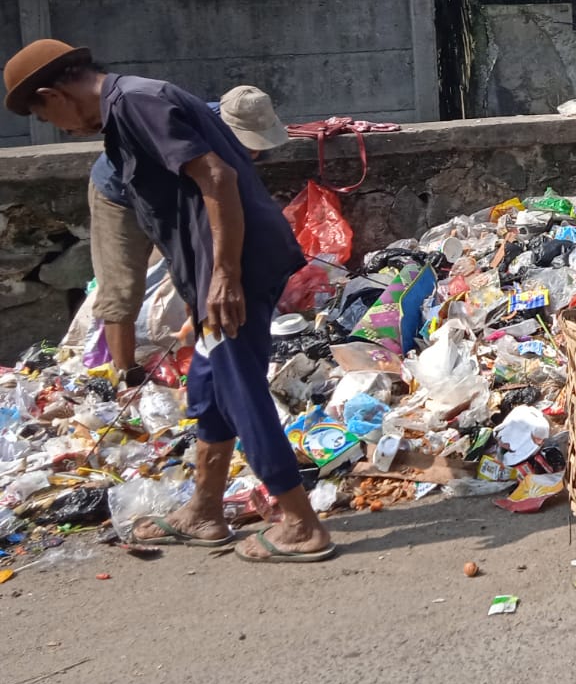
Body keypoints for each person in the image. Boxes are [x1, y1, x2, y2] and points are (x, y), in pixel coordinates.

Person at [3, 41, 334, 563]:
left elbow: (218, 178)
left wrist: (224, 276)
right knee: (207, 385)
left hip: (236, 266)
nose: (56, 126)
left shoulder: (138, 102)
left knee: (236, 384)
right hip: (214, 269)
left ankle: (300, 521)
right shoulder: (123, 114)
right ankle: (205, 510)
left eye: (44, 114)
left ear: (54, 94)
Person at [88, 85, 291, 384]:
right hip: (121, 193)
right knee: (122, 286)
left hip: (180, 197)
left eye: (258, 144)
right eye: (248, 143)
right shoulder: (178, 129)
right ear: (225, 126)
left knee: (200, 272)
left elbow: (232, 198)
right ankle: (126, 375)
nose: (254, 152)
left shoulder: (245, 148)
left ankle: (203, 359)